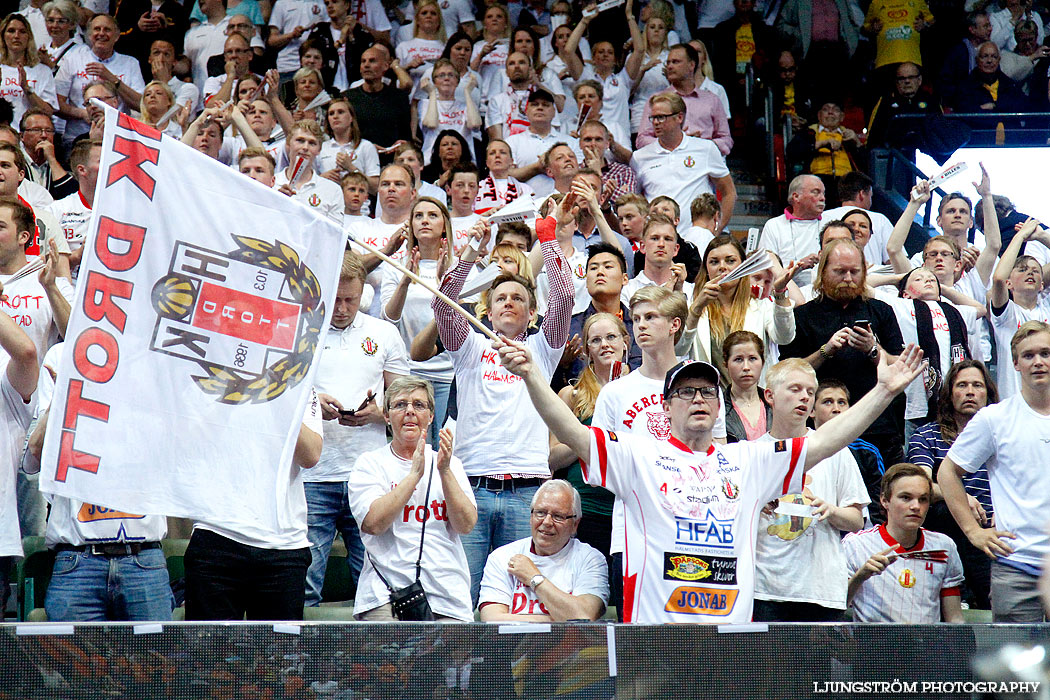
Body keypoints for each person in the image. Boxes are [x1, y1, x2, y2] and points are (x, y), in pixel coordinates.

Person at [496, 324, 924, 623]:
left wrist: (885, 390)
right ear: (666, 406)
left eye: (707, 392)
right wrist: (534, 375)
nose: (697, 399)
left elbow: (825, 442)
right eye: (685, 392)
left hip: (728, 641)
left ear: (720, 406)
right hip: (657, 634)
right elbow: (574, 432)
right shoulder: (639, 456)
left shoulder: (748, 460)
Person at [432, 204, 572, 605]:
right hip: (471, 487)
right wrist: (472, 253)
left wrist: (547, 234)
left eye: (518, 298)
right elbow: (443, 305)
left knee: (520, 598)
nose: (509, 302)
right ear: (488, 310)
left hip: (527, 493)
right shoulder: (471, 347)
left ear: (531, 313)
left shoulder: (543, 349)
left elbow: (563, 294)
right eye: (500, 298)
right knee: (463, 594)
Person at [307, 253, 409, 608]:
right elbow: (278, 400)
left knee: (378, 589)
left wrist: (379, 413)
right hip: (311, 475)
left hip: (367, 477)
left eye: (350, 299)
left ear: (364, 292)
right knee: (306, 584)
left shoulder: (384, 333)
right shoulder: (302, 331)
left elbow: (406, 407)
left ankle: (373, 664)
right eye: (334, 299)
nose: (342, 308)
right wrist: (312, 405)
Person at [939, 320, 1050, 622]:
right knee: (1014, 668)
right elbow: (947, 473)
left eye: (1046, 353)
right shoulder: (994, 419)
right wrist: (973, 531)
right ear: (1015, 363)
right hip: (1016, 565)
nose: (1038, 361)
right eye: (1028, 355)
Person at [184, 390, 323, 621]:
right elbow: (190, 437)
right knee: (209, 653)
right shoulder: (213, 375)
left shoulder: (301, 383)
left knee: (281, 655)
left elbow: (310, 455)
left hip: (283, 544)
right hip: (216, 533)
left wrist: (276, 392)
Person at [348, 378, 477, 621]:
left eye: (419, 405)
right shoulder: (369, 464)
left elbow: (466, 524)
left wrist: (445, 472)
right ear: (386, 416)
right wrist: (414, 475)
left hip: (447, 594)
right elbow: (373, 523)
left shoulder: (451, 464)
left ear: (430, 416)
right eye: (400, 405)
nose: (409, 411)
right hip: (385, 595)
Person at [753, 358, 869, 621]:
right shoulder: (753, 452)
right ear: (769, 395)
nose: (804, 397)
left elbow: (856, 521)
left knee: (815, 665)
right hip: (765, 589)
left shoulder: (836, 452)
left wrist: (831, 510)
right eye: (795, 389)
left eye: (809, 392)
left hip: (820, 590)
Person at [779, 239, 907, 466]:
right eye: (839, 272)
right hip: (821, 428)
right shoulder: (804, 316)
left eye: (854, 272)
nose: (848, 279)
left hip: (878, 426)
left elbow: (900, 366)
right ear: (823, 272)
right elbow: (788, 373)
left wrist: (873, 349)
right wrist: (825, 351)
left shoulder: (881, 311)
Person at [908, 360, 996, 609]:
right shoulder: (926, 436)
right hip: (950, 525)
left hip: (998, 523)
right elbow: (920, 485)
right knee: (947, 510)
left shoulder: (1003, 435)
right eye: (962, 385)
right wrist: (959, 497)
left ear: (988, 394)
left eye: (977, 385)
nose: (970, 391)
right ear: (949, 394)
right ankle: (966, 595)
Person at [844, 463, 965, 622]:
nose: (916, 506)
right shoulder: (856, 544)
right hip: (873, 644)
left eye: (923, 499)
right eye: (906, 497)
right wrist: (861, 576)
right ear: (884, 501)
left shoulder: (944, 547)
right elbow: (836, 607)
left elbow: (955, 618)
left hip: (927, 644)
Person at [551, 312, 630, 556]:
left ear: (625, 342)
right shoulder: (571, 394)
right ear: (586, 350)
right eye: (596, 340)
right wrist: (590, 435)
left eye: (611, 337)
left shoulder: (642, 390)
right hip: (586, 506)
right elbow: (552, 458)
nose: (605, 344)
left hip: (629, 504)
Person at [382, 197, 458, 445]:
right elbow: (388, 318)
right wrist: (406, 280)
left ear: (444, 225)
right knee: (413, 450)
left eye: (433, 215)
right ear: (411, 225)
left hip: (450, 373)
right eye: (419, 215)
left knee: (447, 449)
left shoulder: (460, 267)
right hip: (410, 373)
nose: (425, 220)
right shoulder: (396, 268)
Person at [478, 480, 609, 621]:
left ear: (575, 524)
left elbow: (583, 617)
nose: (547, 522)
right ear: (530, 517)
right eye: (540, 513)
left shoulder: (591, 559)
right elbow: (492, 620)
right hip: (513, 643)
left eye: (558, 516)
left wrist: (534, 578)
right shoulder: (502, 557)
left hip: (571, 643)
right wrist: (557, 619)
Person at [0, 201, 44, 617]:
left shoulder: (39, 284)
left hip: (32, 419)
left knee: (33, 531)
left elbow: (31, 351)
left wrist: (56, 283)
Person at [686, 235, 795, 381]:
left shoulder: (761, 306)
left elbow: (784, 337)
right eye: (714, 262)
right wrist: (697, 308)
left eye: (730, 261)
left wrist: (780, 292)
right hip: (709, 397)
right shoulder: (694, 307)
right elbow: (679, 348)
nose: (722, 267)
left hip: (753, 397)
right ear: (706, 269)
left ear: (744, 266)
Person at [630, 92, 736, 235]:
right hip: (659, 240)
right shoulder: (639, 157)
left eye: (661, 117)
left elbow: (729, 192)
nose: (655, 122)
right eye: (653, 118)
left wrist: (716, 230)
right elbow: (635, 204)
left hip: (697, 239)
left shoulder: (706, 149)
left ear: (679, 117)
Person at [55, 14, 144, 148]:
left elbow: (141, 105)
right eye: (97, 29)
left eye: (107, 30)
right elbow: (55, 103)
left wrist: (111, 78)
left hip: (118, 138)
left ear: (117, 36)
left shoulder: (130, 63)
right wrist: (82, 113)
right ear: (89, 35)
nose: (101, 33)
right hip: (77, 139)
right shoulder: (73, 59)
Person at [987, 219, 1050, 399]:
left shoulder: (1046, 308)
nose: (1029, 273)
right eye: (1022, 270)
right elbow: (998, 278)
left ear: (1041, 285)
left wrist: (1041, 236)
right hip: (1013, 403)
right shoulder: (1007, 314)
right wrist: (1021, 236)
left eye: (1035, 271)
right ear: (1009, 283)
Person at [635, 43, 732, 154]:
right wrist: (674, 143)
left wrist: (701, 144)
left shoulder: (711, 100)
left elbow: (726, 140)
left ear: (691, 65)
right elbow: (641, 140)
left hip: (703, 161)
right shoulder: (657, 100)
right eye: (668, 62)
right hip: (667, 161)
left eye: (676, 62)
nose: (670, 66)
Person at [761, 174, 825, 287]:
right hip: (787, 291)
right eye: (816, 192)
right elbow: (766, 270)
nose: (822, 198)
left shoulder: (830, 224)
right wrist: (798, 266)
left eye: (823, 193)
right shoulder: (774, 225)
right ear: (796, 197)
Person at [274, 120, 343, 222]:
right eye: (300, 140)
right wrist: (276, 202)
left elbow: (333, 233)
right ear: (288, 144)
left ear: (319, 150)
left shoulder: (332, 190)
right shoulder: (272, 183)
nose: (305, 147)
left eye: (312, 143)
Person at [346, 46, 412, 149]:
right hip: (357, 157)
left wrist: (399, 145)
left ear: (385, 66)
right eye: (363, 61)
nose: (366, 65)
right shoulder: (348, 98)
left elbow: (406, 135)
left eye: (372, 61)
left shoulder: (399, 98)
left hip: (391, 158)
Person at [317, 96, 380, 203]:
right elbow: (307, 182)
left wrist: (351, 168)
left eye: (340, 112)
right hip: (327, 205)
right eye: (331, 114)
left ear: (351, 118)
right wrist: (322, 178)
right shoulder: (321, 148)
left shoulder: (365, 146)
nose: (335, 116)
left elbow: (375, 188)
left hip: (359, 210)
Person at [0, 13, 58, 128]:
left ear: (29, 37)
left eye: (22, 32)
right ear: (3, 36)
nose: (16, 36)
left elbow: (48, 112)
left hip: (30, 133)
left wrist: (27, 89)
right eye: (11, 31)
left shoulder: (43, 71)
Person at [721, 330, 772, 442]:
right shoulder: (718, 409)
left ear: (762, 362)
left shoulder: (776, 405)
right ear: (726, 364)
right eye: (738, 359)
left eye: (752, 358)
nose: (746, 367)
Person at [19, 110, 75, 199]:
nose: (44, 135)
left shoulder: (62, 164)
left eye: (49, 130)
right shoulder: (15, 163)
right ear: (22, 136)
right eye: (36, 130)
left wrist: (51, 159)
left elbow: (71, 195)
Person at [474, 138, 535, 215]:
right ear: (486, 162)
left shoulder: (525, 190)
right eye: (492, 153)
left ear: (511, 161)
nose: (497, 156)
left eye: (502, 152)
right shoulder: (477, 188)